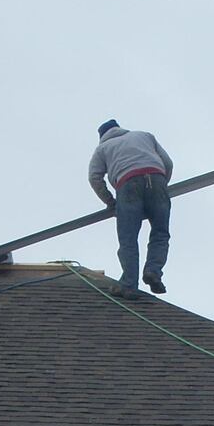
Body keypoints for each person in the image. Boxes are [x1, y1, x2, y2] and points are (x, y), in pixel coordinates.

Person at [88, 120, 173, 296]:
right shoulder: (144, 136)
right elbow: (168, 163)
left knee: (128, 238)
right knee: (160, 232)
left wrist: (111, 202)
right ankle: (153, 271)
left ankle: (129, 284)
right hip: (157, 178)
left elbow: (94, 178)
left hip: (128, 183)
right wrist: (162, 185)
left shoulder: (103, 148)